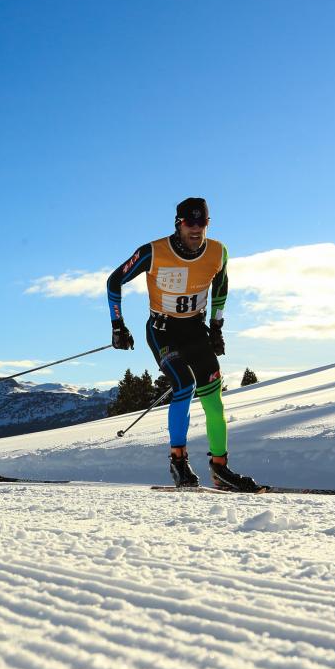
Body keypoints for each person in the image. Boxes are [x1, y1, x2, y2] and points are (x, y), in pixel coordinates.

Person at [106, 197, 261, 491]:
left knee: (214, 402)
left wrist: (216, 327)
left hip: (195, 330)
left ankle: (220, 469)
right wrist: (118, 325)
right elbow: (114, 281)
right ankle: (178, 461)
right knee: (184, 384)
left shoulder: (218, 252)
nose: (196, 230)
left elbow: (221, 289)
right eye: (190, 223)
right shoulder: (152, 252)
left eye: (202, 223)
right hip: (162, 331)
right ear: (178, 224)